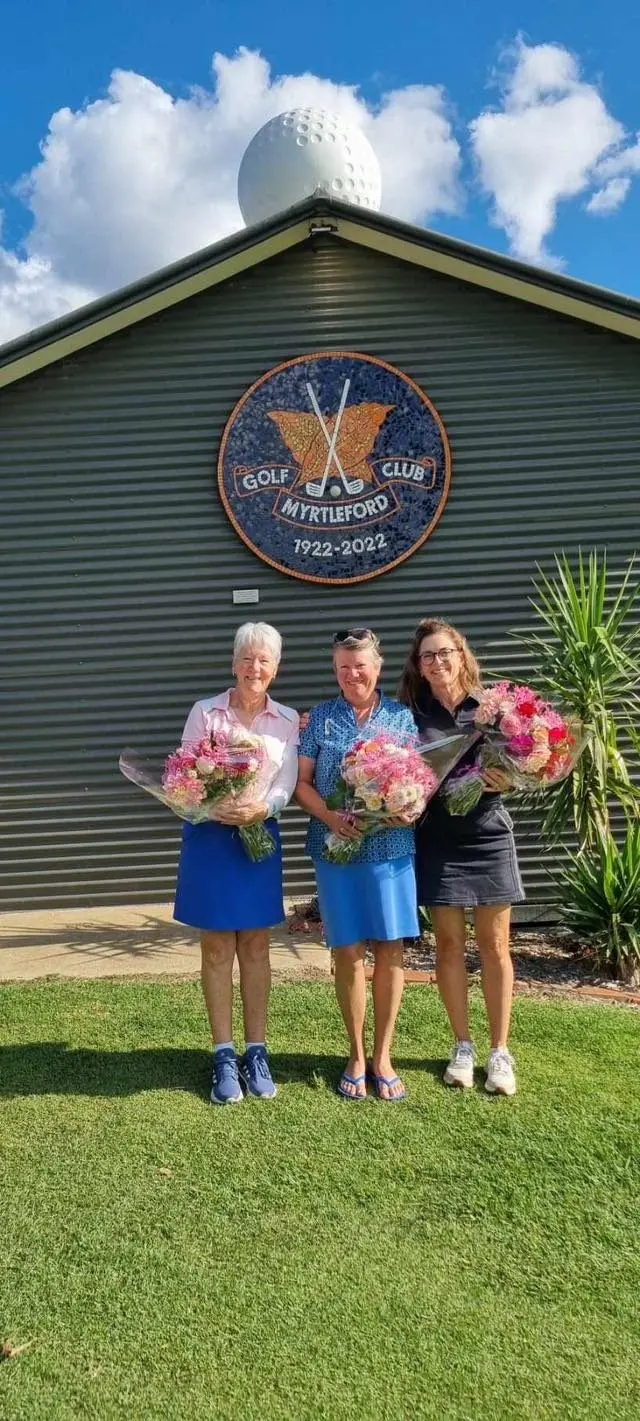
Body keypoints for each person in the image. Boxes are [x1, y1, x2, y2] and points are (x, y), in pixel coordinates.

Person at [174, 622, 299, 1105]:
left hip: (257, 839)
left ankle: (257, 1051)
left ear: (276, 668)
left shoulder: (287, 719)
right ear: (234, 663)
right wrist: (211, 806)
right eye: (247, 658)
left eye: (264, 659)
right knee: (216, 949)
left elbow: (286, 783)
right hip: (210, 839)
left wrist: (262, 809)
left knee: (256, 947)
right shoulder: (205, 712)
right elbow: (185, 777)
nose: (255, 667)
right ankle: (224, 1054)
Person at [399, 618, 524, 1096]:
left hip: (489, 834)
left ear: (461, 654)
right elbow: (399, 771)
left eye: (445, 652)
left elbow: (529, 757)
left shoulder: (495, 709)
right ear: (419, 666)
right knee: (448, 946)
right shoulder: (412, 715)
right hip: (438, 839)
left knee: (495, 947)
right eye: (427, 655)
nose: (438, 662)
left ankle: (500, 1051)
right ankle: (463, 1045)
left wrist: (513, 777)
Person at [296, 628, 419, 1103]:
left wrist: (409, 806)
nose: (352, 674)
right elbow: (302, 783)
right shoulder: (320, 719)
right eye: (343, 667)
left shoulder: (401, 718)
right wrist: (331, 815)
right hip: (335, 849)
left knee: (389, 950)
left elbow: (417, 780)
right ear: (335, 670)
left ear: (378, 666)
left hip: (390, 850)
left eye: (360, 665)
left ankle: (383, 1055)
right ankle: (355, 1054)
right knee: (347, 951)